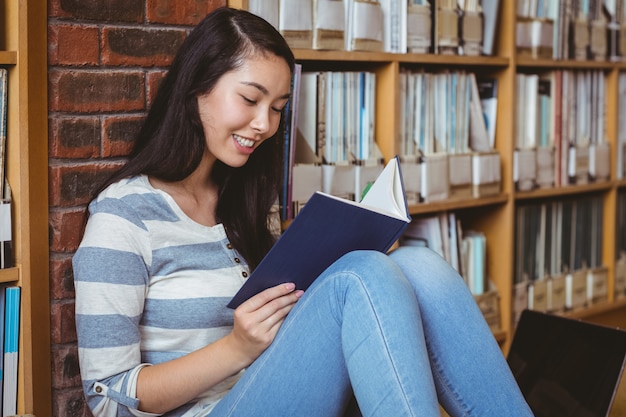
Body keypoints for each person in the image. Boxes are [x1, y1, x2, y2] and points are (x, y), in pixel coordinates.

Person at [72, 6, 533, 417]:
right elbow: (108, 397)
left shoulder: (246, 203)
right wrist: (237, 347)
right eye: (250, 100)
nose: (264, 125)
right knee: (361, 276)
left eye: (277, 108)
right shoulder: (123, 216)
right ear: (197, 89)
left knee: (418, 264)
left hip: (272, 387)